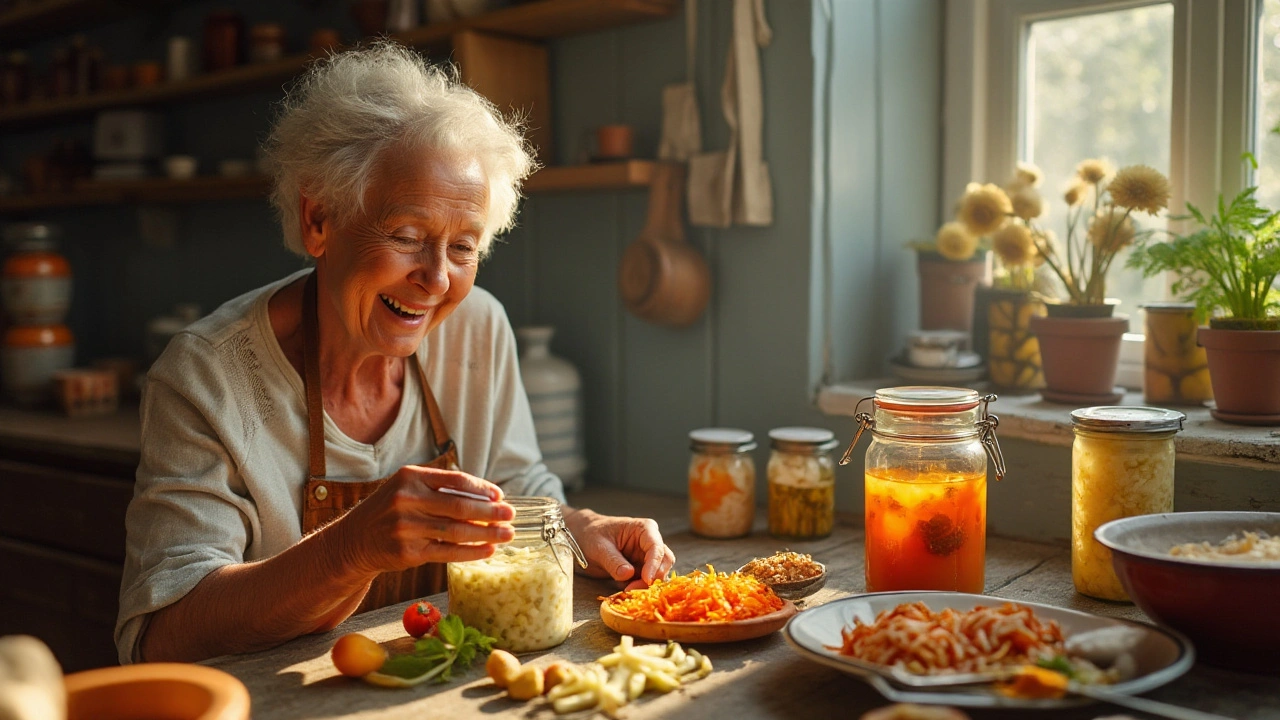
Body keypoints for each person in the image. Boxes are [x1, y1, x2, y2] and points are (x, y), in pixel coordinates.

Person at [114, 43, 675, 664]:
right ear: (318, 220)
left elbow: (515, 488)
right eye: (407, 237)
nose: (437, 279)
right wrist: (352, 549)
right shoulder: (203, 377)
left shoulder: (479, 327)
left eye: (463, 247)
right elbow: (163, 633)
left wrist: (580, 528)